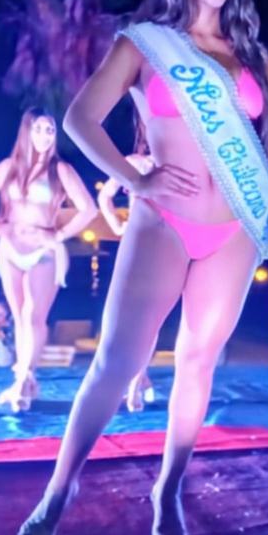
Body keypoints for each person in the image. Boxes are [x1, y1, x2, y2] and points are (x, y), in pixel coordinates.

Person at [11, 0, 268, 535]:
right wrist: (135, 180)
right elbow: (81, 119)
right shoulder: (144, 43)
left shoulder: (253, 55)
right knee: (118, 361)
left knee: (198, 362)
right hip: (162, 222)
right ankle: (58, 491)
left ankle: (168, 492)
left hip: (233, 234)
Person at [0, 107, 96, 412]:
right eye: (39, 129)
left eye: (50, 130)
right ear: (27, 131)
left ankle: (25, 377)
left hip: (43, 251)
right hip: (10, 249)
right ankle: (25, 380)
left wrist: (58, 235)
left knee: (33, 317)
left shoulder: (60, 170)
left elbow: (88, 209)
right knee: (18, 317)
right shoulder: (9, 167)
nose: (44, 136)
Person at [98, 146, 157, 412]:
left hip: (166, 241)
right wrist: (115, 224)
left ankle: (136, 382)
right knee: (124, 314)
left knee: (151, 316)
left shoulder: (181, 157)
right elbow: (105, 196)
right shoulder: (135, 162)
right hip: (134, 238)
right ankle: (131, 376)